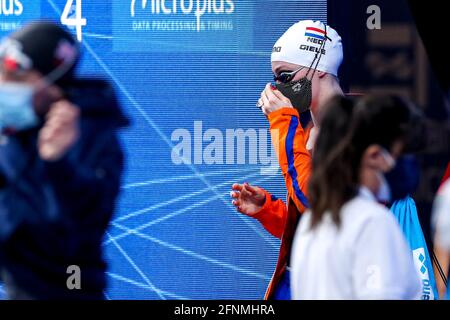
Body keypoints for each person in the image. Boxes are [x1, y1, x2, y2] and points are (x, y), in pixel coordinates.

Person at [0, 21, 128, 299]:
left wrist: (57, 164)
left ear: (52, 87)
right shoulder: (13, 129)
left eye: (17, 76)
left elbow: (76, 232)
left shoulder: (91, 135)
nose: (3, 85)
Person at [231, 20, 344, 299]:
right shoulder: (309, 132)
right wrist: (268, 210)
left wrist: (283, 123)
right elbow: (314, 228)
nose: (277, 87)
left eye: (284, 76)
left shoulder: (359, 125)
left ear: (318, 68)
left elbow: (319, 205)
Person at [290, 95, 422, 299]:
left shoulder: (311, 222)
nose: (402, 163)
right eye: (399, 153)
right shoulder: (372, 221)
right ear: (374, 156)